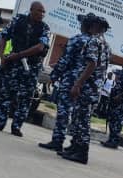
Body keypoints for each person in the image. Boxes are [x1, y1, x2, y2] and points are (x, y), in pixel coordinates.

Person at [38, 13, 110, 164]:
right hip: (92, 87)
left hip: (78, 83)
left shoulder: (83, 40)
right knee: (79, 117)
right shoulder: (106, 45)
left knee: (72, 116)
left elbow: (69, 61)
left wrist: (55, 77)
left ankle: (71, 147)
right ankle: (74, 147)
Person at [0, 1, 49, 137]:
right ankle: (0, 122)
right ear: (31, 10)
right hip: (14, 65)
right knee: (6, 93)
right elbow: (4, 36)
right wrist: (2, 57)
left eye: (43, 12)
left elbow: (40, 47)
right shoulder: (18, 20)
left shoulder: (44, 27)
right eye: (39, 11)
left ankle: (16, 127)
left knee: (26, 98)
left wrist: (18, 55)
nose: (41, 14)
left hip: (31, 66)